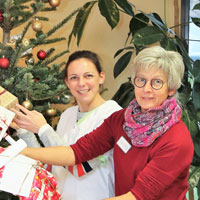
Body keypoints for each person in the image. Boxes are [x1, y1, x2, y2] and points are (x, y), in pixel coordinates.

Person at [14, 46, 194, 200]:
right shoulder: (121, 119)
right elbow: (75, 153)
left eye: (156, 82)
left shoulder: (177, 139)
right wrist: (17, 153)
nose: (146, 89)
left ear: (170, 89)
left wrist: (42, 129)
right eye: (141, 80)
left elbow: (137, 196)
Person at [11, 50, 122, 200]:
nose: (81, 83)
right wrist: (24, 130)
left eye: (88, 76)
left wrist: (43, 129)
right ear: (67, 82)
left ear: (101, 77)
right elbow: (50, 165)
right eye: (74, 78)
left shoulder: (113, 114)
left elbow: (80, 168)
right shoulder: (67, 115)